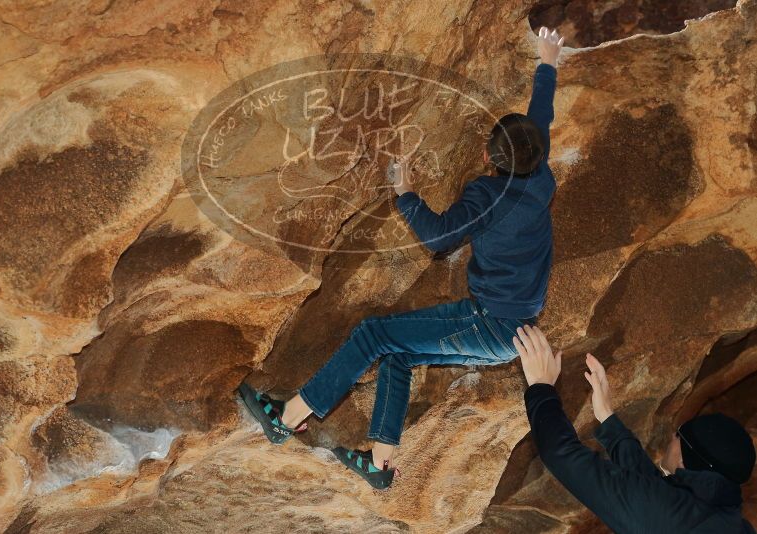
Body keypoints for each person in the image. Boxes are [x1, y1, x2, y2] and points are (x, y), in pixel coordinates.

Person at [236, 26, 565, 490]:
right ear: (534, 153)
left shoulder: (488, 195)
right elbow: (541, 115)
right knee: (399, 354)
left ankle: (288, 417)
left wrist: (404, 190)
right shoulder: (540, 175)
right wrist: (548, 58)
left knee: (373, 334)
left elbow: (437, 237)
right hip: (511, 325)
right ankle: (380, 462)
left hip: (490, 322)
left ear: (488, 157)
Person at [514, 325, 756, 533]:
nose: (673, 435)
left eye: (679, 434)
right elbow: (656, 493)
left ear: (684, 458)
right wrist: (608, 419)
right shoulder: (726, 517)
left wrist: (541, 386)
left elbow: (562, 456)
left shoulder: (668, 518)